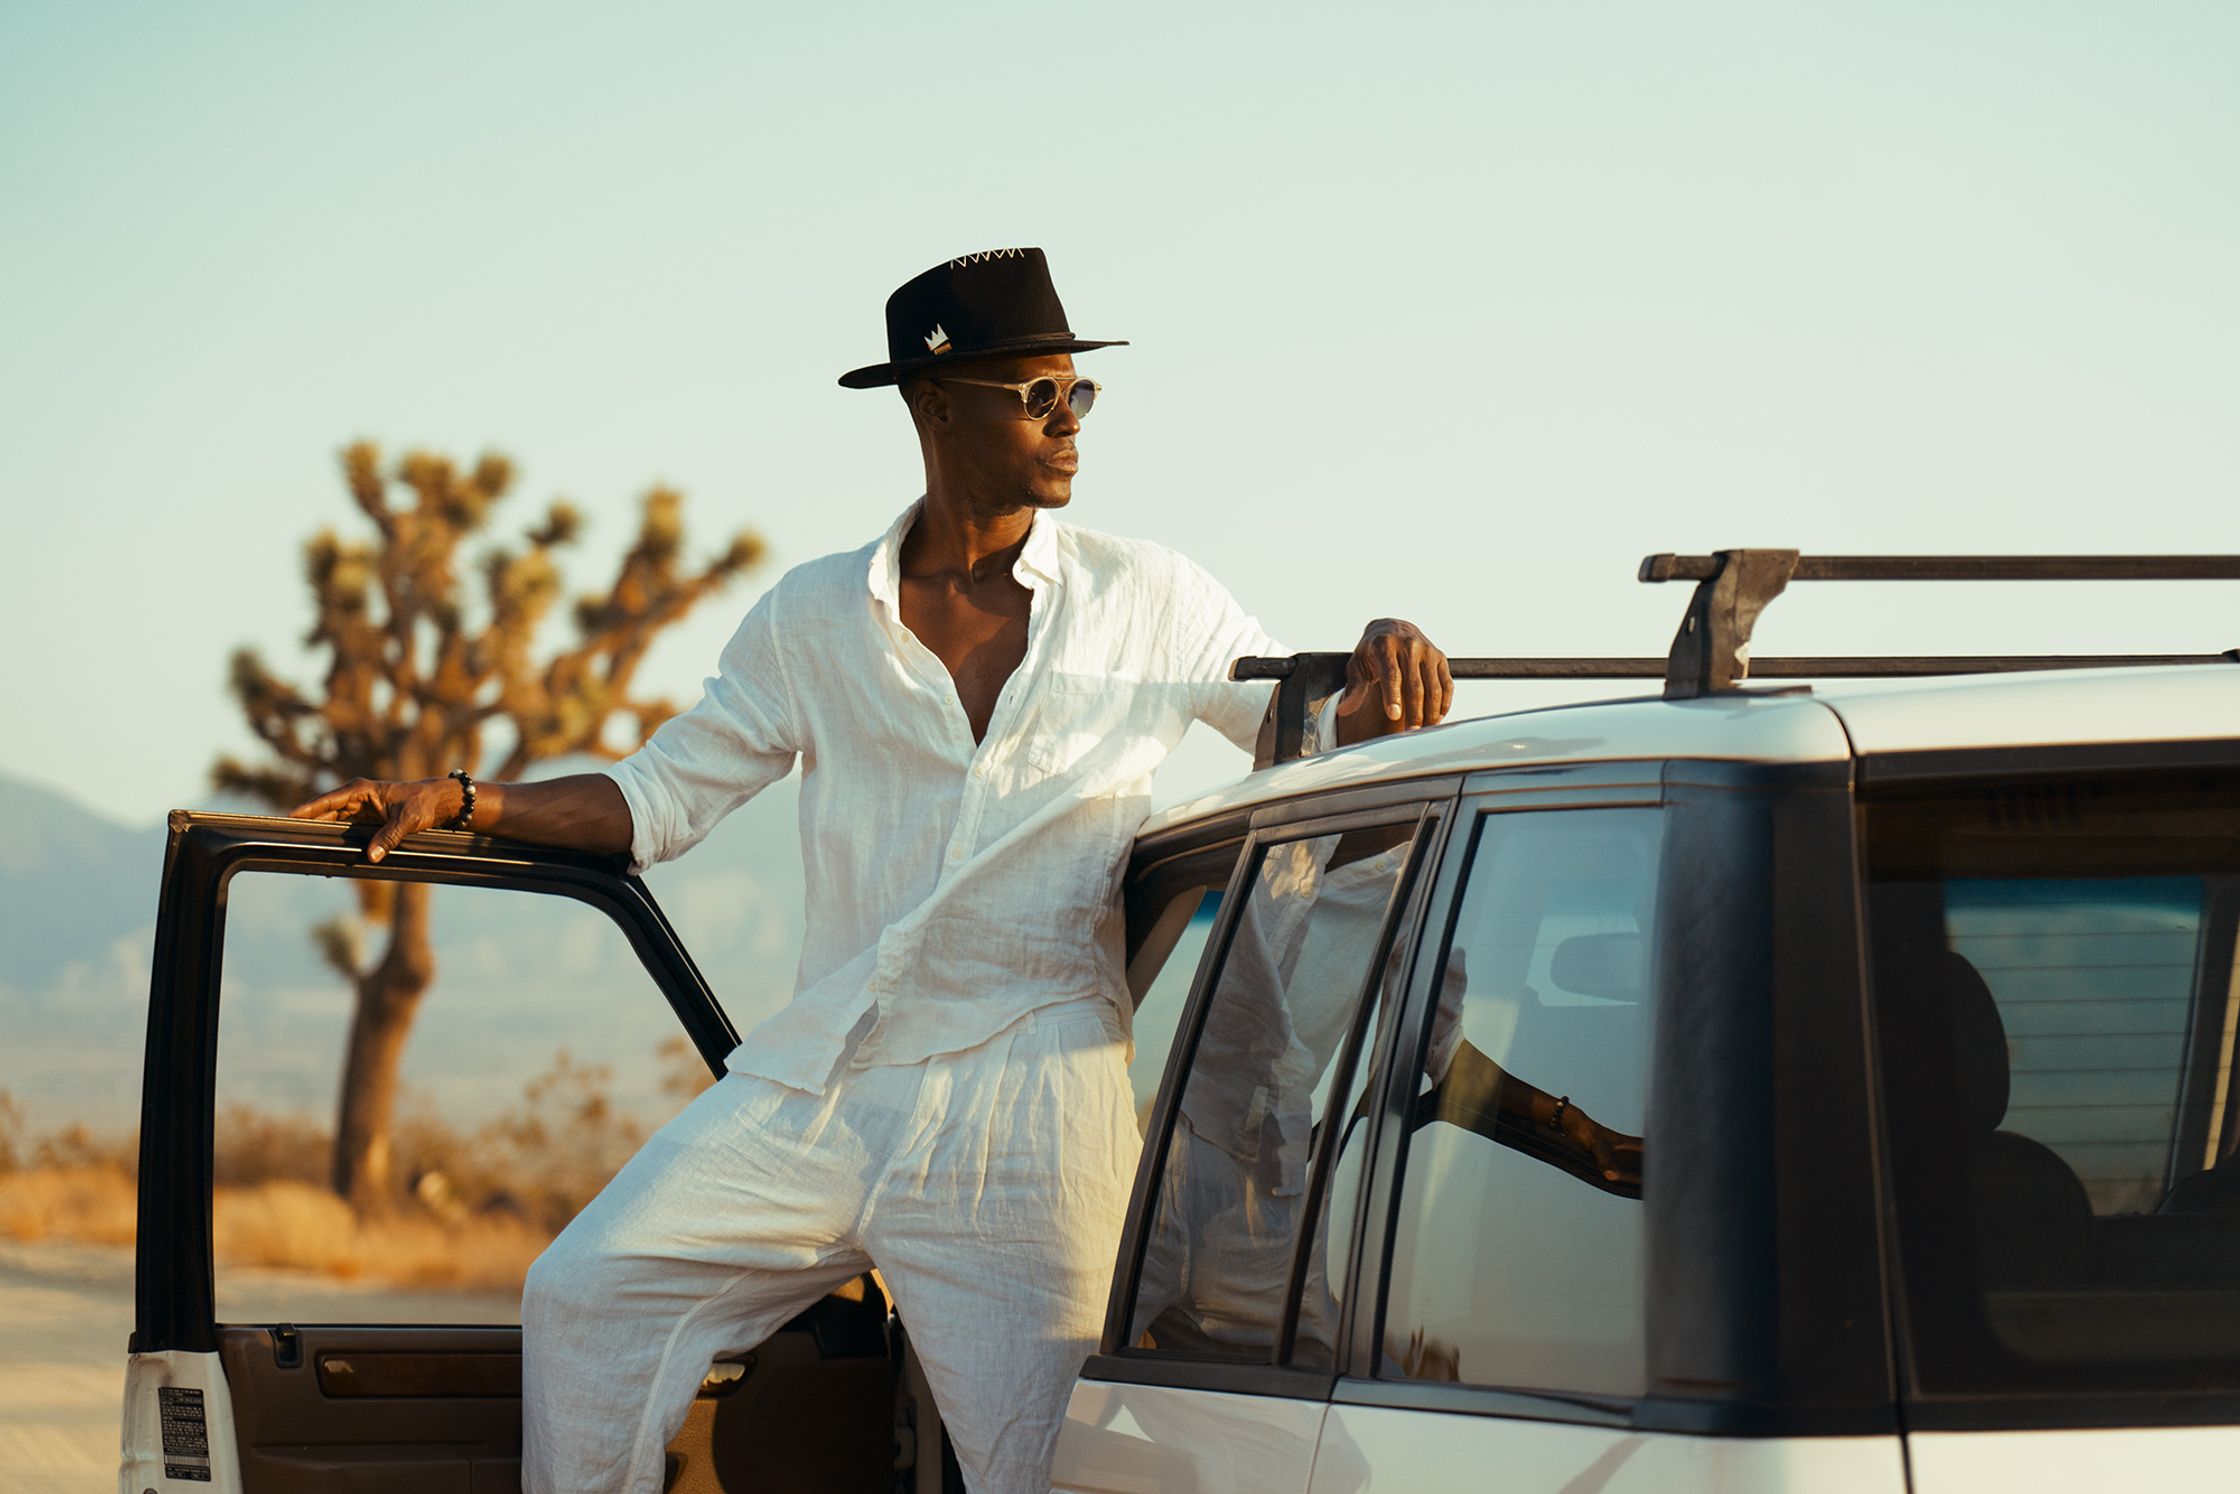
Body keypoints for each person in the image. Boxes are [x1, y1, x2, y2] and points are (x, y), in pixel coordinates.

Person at [290, 247, 1453, 1494]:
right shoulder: (814, 615)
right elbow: (657, 799)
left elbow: (1305, 732)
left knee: (1046, 1468)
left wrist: (1380, 679)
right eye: (1036, 396)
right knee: (585, 1294)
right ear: (933, 404)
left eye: (1078, 393)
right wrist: (464, 800)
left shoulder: (1148, 596)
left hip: (1031, 1101)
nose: (1068, 422)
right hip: (827, 1078)